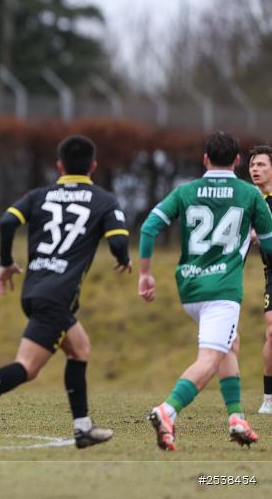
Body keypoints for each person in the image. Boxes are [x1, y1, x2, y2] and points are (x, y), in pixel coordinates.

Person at [0, 135, 129, 449]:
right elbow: (118, 242)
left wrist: (6, 263)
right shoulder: (104, 200)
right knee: (27, 368)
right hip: (58, 297)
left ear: (59, 166)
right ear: (94, 166)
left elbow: (7, 221)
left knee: (80, 349)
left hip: (35, 290)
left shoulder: (39, 195)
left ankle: (83, 427)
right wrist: (122, 257)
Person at [140, 131, 272, 450]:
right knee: (210, 358)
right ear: (238, 161)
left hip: (190, 287)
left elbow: (148, 227)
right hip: (223, 290)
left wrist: (145, 273)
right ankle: (166, 410)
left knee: (230, 344)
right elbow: (269, 245)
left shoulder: (186, 190)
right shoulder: (250, 195)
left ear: (204, 159)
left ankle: (236, 417)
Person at [247, 145, 272, 414]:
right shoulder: (250, 201)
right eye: (252, 165)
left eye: (261, 164)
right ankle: (269, 398)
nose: (255, 169)